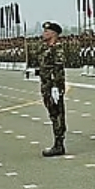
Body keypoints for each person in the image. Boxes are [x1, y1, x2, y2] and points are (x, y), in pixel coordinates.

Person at [37, 22, 67, 156]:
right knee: (53, 114)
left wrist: (56, 86)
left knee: (57, 114)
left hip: (53, 86)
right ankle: (57, 143)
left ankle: (59, 145)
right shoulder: (46, 48)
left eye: (47, 31)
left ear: (53, 34)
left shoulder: (57, 49)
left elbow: (58, 68)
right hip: (46, 85)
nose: (44, 34)